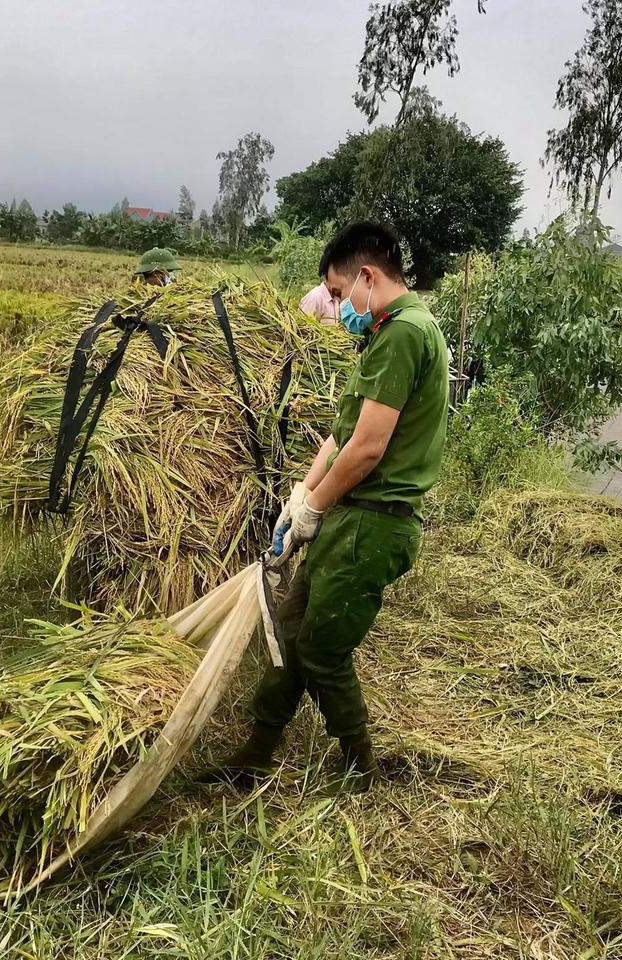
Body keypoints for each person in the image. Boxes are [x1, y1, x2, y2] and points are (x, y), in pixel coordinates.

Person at [203, 221, 449, 793]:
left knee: (321, 650)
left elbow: (368, 448)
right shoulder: (384, 333)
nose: (338, 308)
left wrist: (315, 508)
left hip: (375, 523)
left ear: (367, 276)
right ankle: (255, 753)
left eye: (338, 295)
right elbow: (341, 435)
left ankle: (363, 771)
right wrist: (301, 500)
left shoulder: (407, 334)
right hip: (349, 516)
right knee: (289, 633)